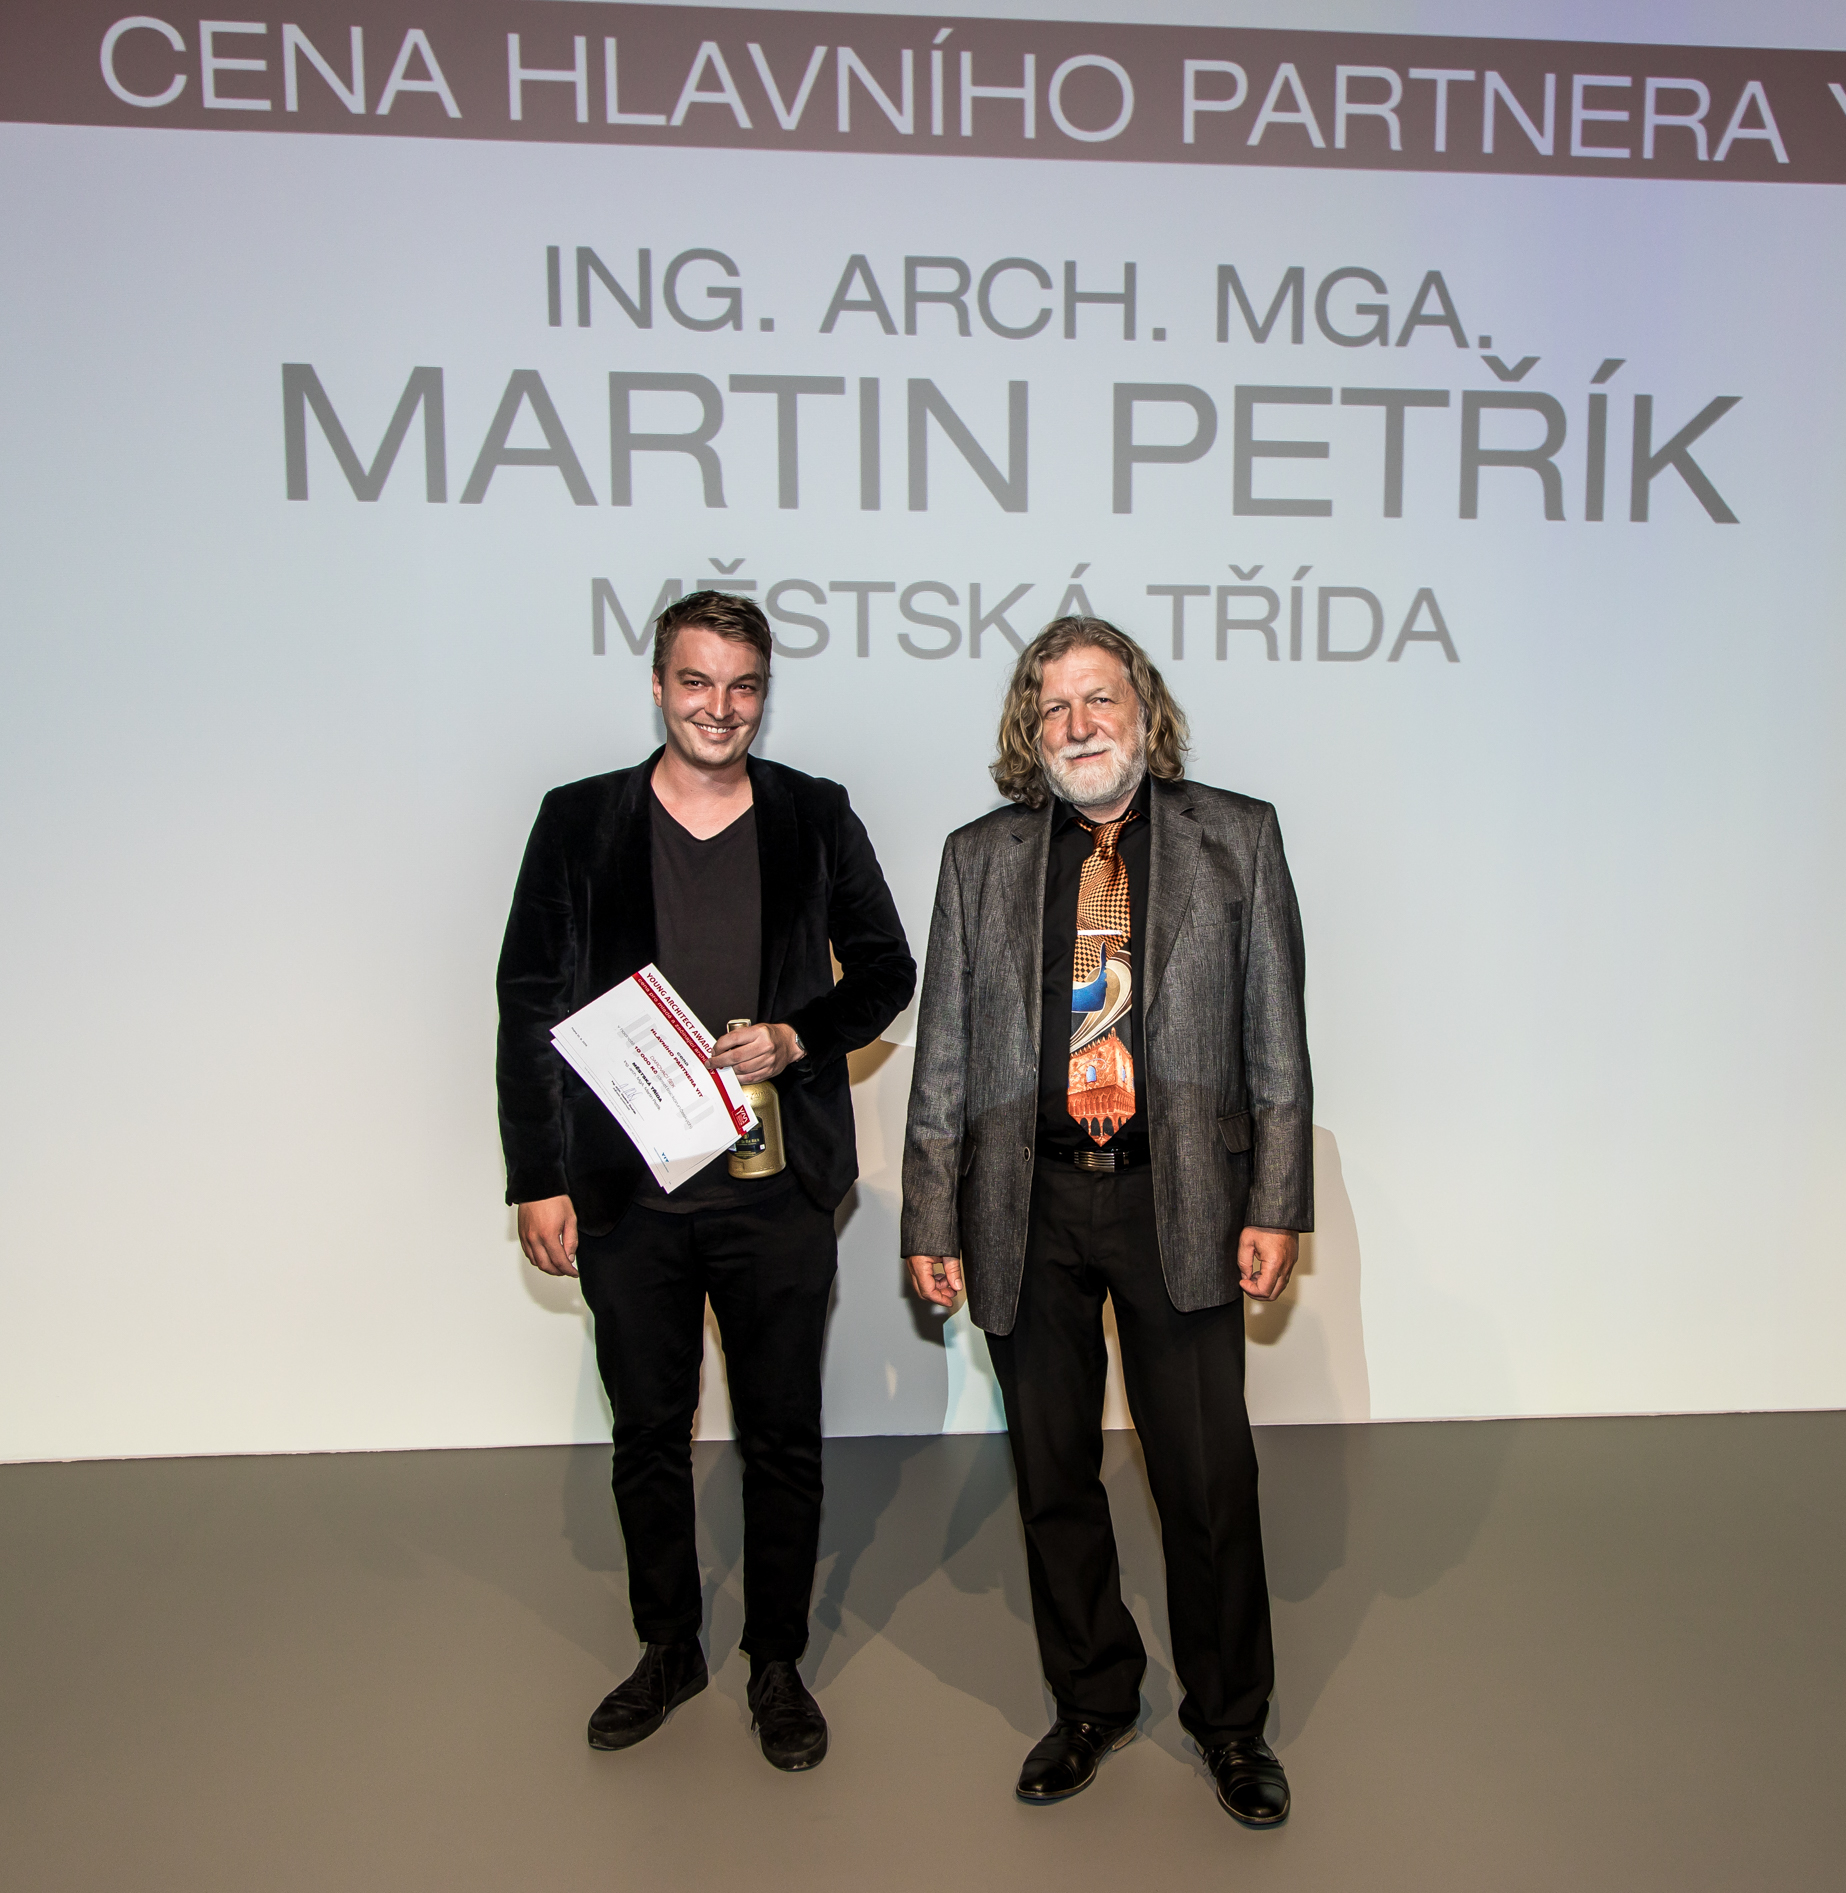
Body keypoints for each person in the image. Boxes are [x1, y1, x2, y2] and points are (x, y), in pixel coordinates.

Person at [900, 616, 1312, 1827]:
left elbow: (1274, 1036)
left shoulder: (1236, 837)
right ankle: (1090, 1699)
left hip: (1178, 1197)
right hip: (1023, 1202)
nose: (1078, 725)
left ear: (1145, 710)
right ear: (1028, 729)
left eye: (1100, 699)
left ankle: (1229, 1724)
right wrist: (931, 1213)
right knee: (1052, 1477)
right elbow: (942, 1056)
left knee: (1205, 1480)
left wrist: (1274, 1200)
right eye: (1053, 706)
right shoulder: (976, 859)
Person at [497, 591, 915, 1769]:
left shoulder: (813, 814)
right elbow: (527, 1002)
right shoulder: (577, 820)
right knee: (647, 1430)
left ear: (762, 695)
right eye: (695, 682)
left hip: (773, 1189)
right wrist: (536, 1176)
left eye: (741, 687)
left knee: (781, 1433)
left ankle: (774, 1661)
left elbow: (886, 968)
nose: (718, 708)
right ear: (657, 686)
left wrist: (797, 1036)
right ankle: (667, 1647)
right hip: (625, 1194)